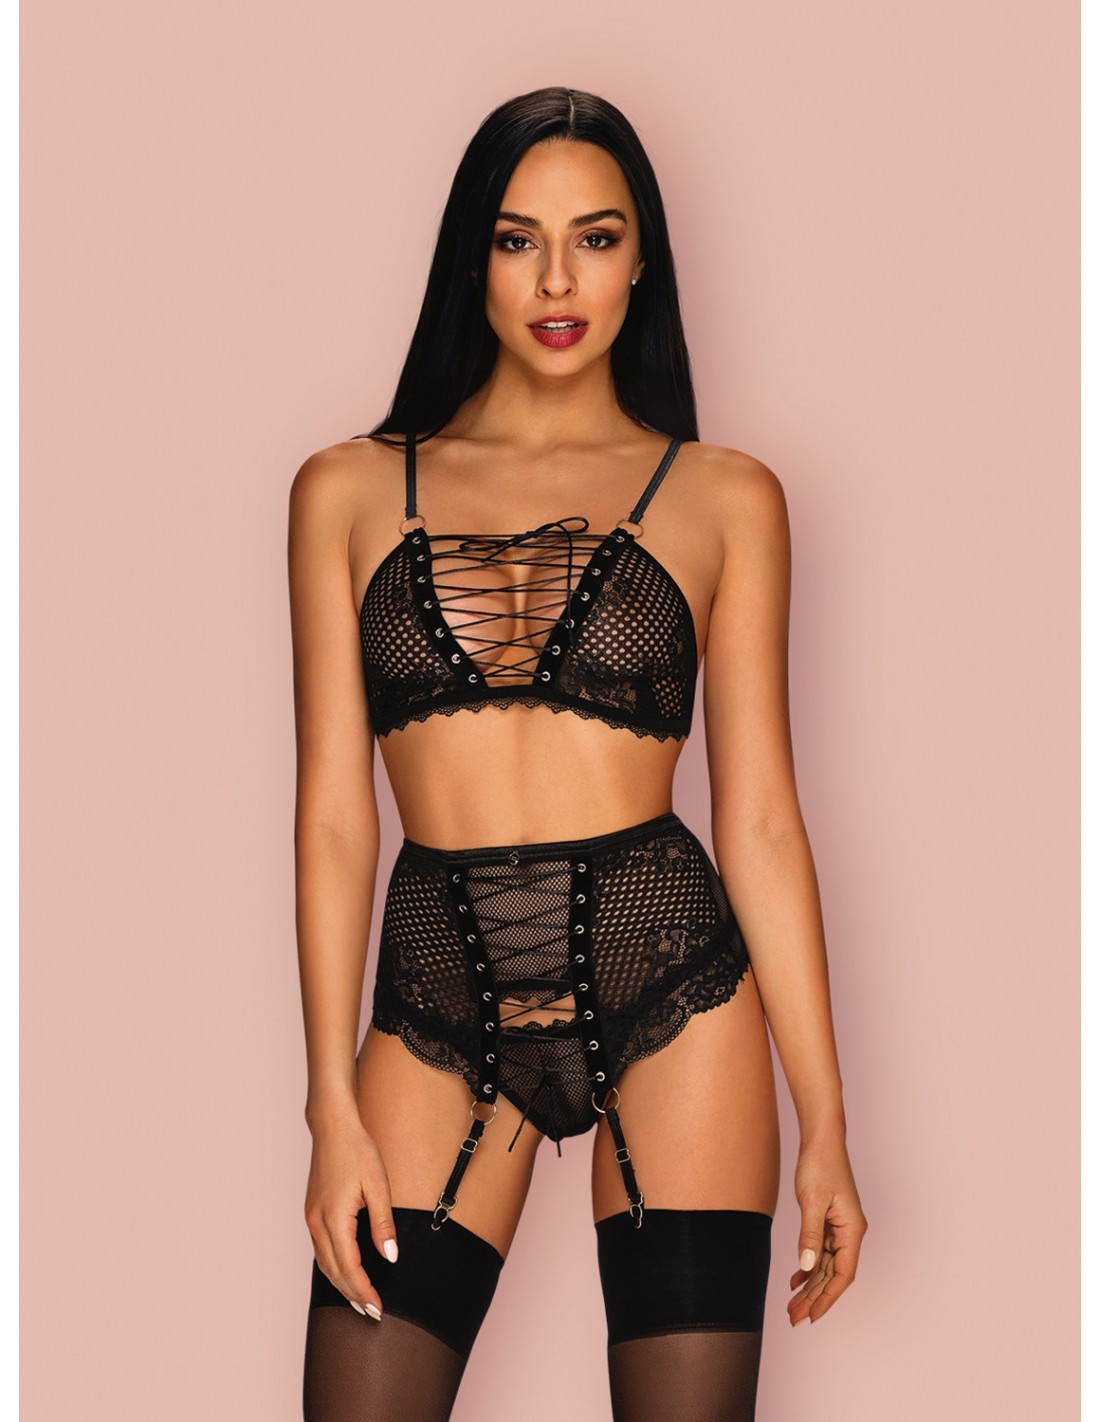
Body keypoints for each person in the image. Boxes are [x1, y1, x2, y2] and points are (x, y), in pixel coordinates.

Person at [289, 86, 867, 1422]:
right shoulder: (347, 490)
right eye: (517, 239)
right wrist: (329, 1103)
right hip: (434, 989)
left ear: (641, 258)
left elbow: (761, 820)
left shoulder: (726, 496)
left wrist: (829, 1119)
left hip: (673, 977)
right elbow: (332, 818)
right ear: (471, 257)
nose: (557, 280)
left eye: (595, 238)